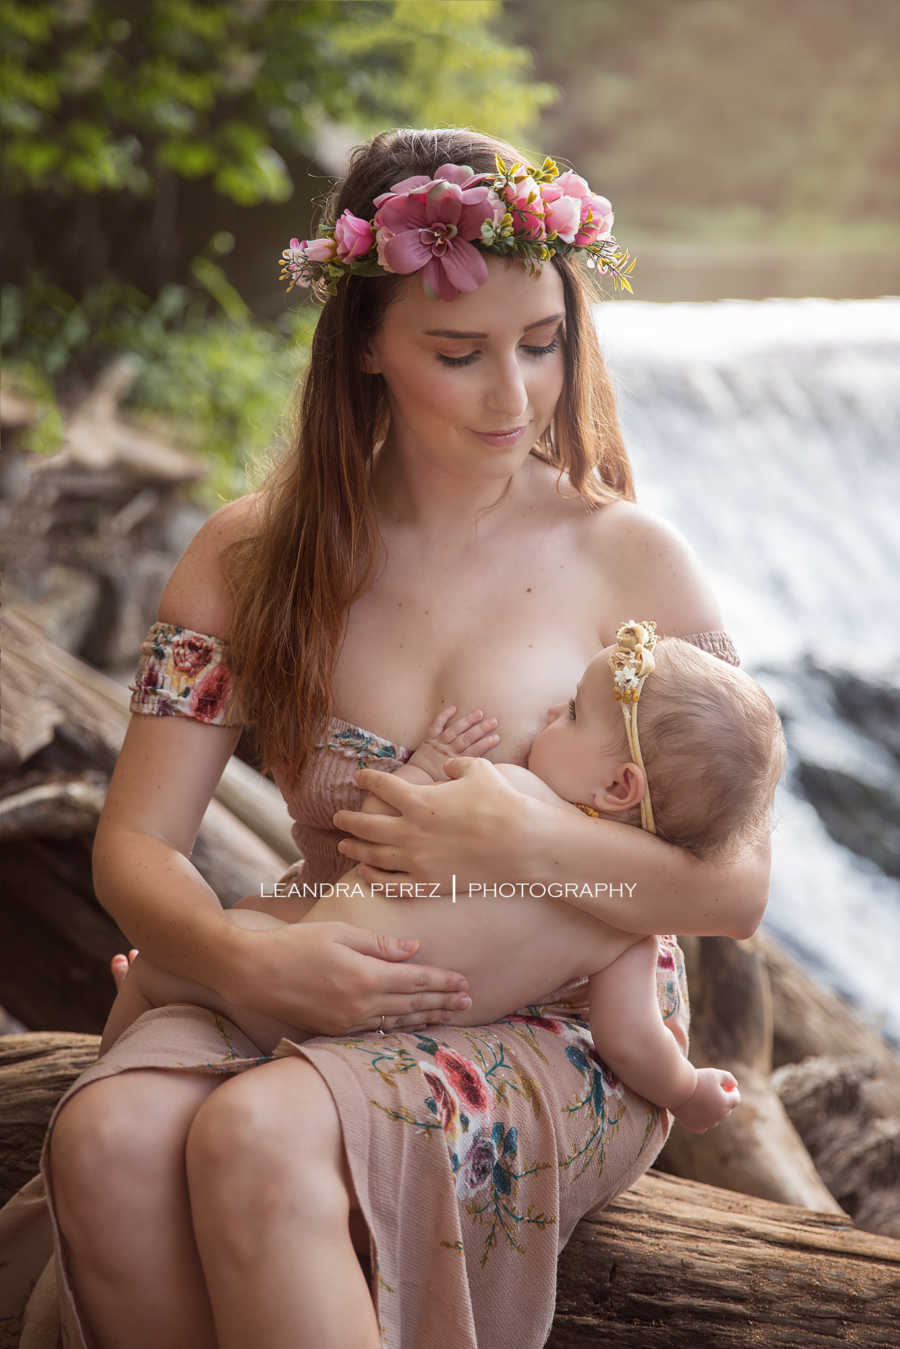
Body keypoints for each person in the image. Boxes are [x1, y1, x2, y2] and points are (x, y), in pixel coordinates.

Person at [0, 127, 771, 1349]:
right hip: (318, 953)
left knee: (256, 1134)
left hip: (568, 1014)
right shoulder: (247, 558)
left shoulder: (634, 556)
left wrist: (525, 837)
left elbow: (737, 886)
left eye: (543, 344)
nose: (513, 396)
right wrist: (239, 960)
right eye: (458, 352)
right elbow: (137, 844)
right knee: (107, 1136)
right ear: (363, 344)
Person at [102, 622, 785, 1136]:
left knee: (174, 960)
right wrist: (689, 1089)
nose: (552, 712)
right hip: (380, 1051)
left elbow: (370, 834)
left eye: (573, 712)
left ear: (617, 785)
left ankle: (133, 1024)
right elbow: (633, 1041)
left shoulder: (502, 791)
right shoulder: (627, 927)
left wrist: (427, 763)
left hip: (304, 979)